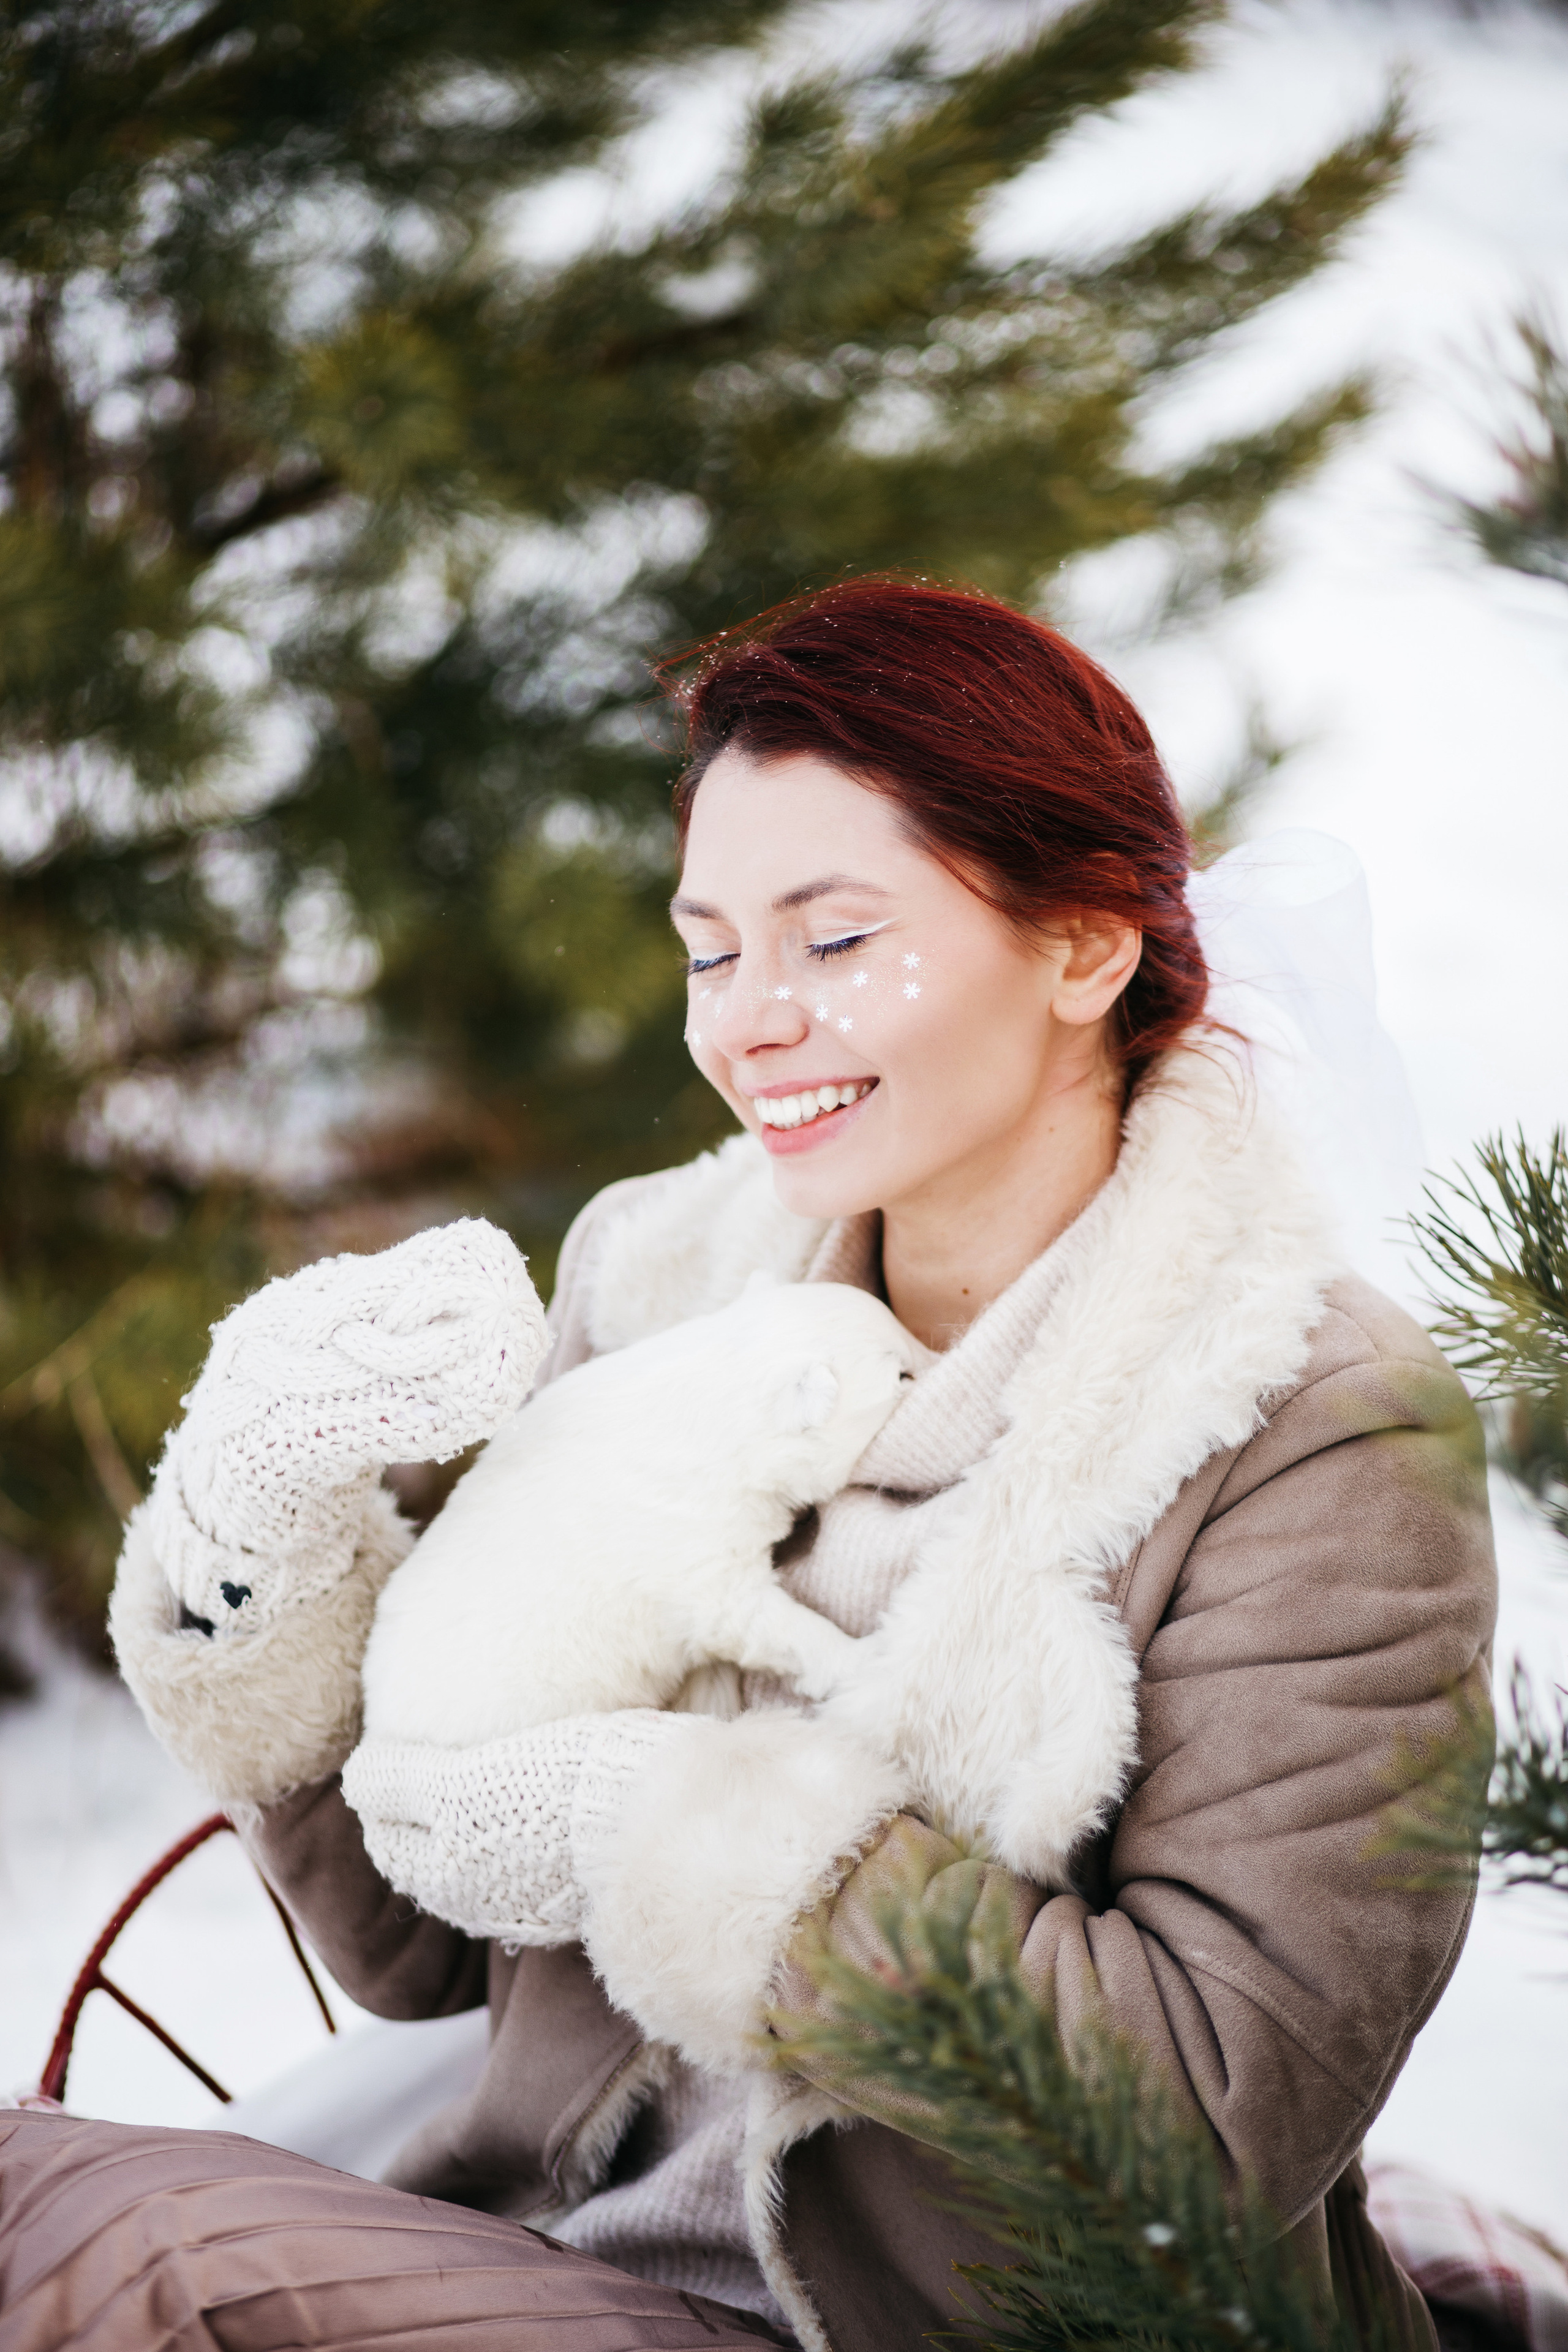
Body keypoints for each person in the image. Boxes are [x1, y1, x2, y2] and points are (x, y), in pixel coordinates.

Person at [0, 580, 1496, 2352]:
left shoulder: (1311, 1424)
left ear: (1089, 946)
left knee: (139, 2255)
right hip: (542, 2261)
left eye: (837, 939)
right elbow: (419, 1952)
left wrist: (679, 1827)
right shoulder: (656, 1282)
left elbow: (1209, 2120)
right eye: (712, 948)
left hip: (922, 2329)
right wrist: (260, 1544)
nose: (747, 1022)